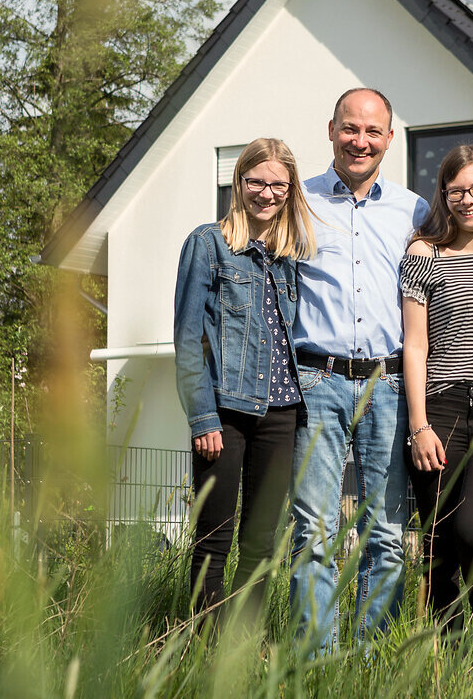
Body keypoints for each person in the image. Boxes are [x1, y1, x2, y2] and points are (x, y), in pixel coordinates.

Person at [289, 87, 429, 650]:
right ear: (330, 130)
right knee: (315, 531)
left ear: (390, 140)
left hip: (390, 384)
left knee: (388, 533)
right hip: (316, 379)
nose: (360, 141)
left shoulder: (415, 210)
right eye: (351, 129)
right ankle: (316, 661)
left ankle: (372, 658)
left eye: (373, 132)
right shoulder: (298, 202)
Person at [174, 137, 316, 620]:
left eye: (278, 184)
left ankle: (240, 648)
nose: (266, 193)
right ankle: (203, 649)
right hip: (226, 413)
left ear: (290, 189)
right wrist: (201, 418)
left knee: (259, 543)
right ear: (239, 183)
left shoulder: (291, 255)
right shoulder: (208, 243)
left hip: (281, 413)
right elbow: (189, 338)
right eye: (256, 181)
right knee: (214, 537)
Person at [401, 145, 473, 663]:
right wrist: (419, 425)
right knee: (441, 539)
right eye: (457, 192)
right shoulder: (423, 256)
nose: (469, 200)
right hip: (441, 409)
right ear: (444, 197)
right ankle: (447, 656)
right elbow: (415, 345)